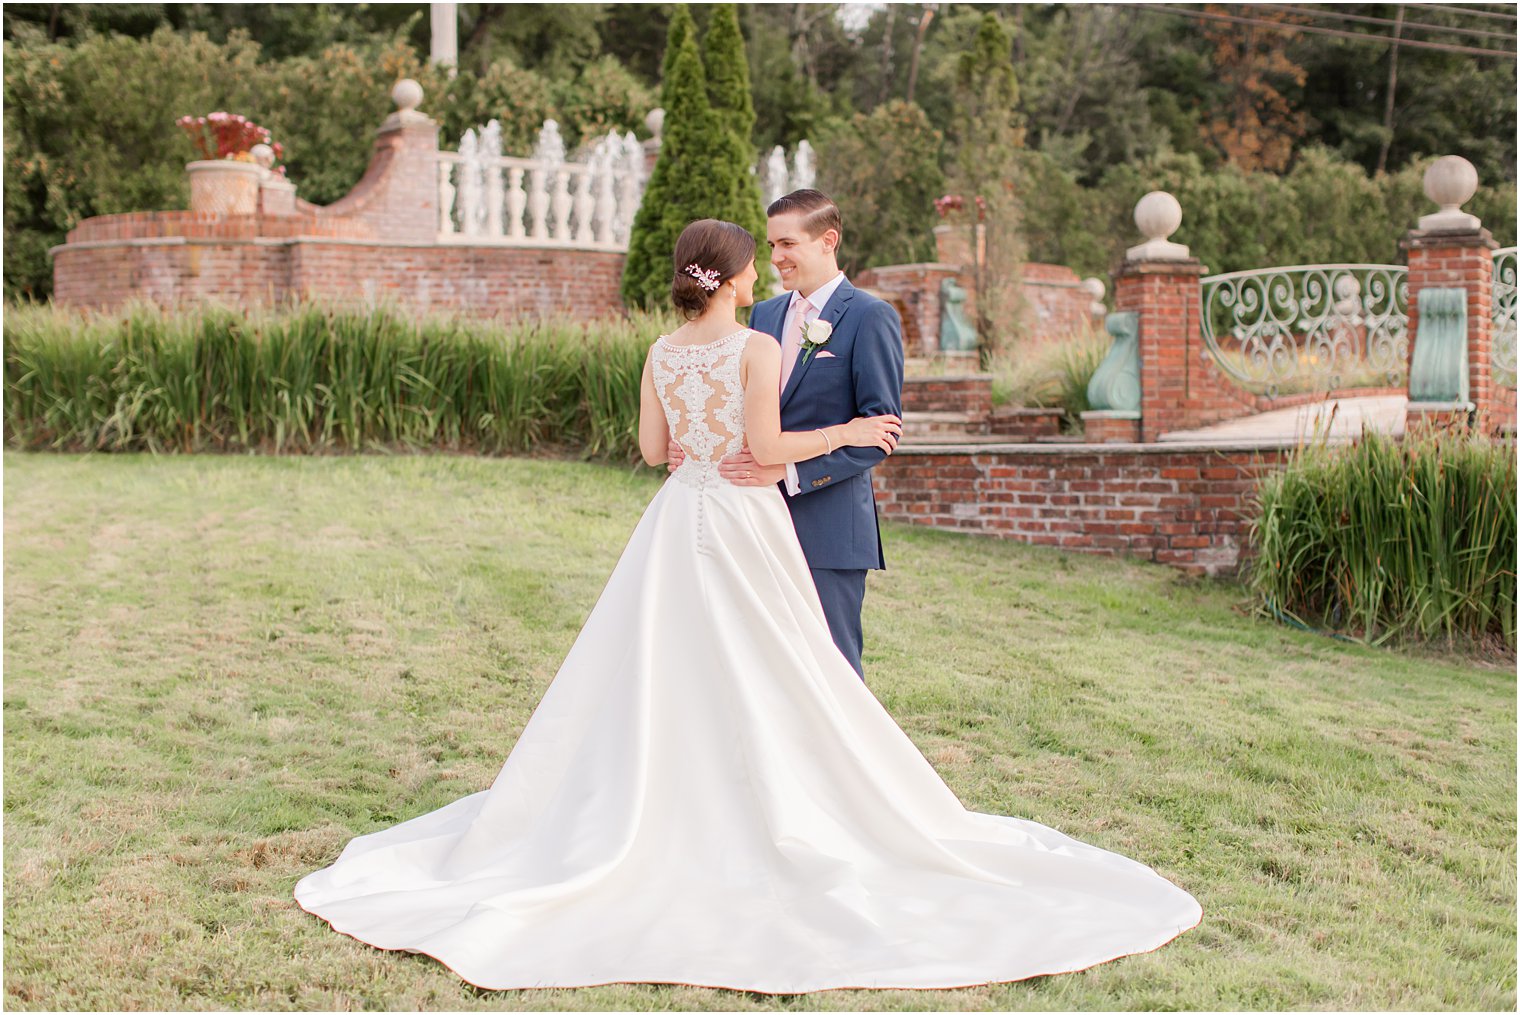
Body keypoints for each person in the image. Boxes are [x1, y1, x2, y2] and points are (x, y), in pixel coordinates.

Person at [293, 219, 1202, 993]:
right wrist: (846, 427)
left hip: (677, 512)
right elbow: (765, 444)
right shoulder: (757, 345)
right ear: (732, 279)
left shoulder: (658, 350)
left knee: (664, 659)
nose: (764, 272)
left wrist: (704, 441)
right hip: (742, 517)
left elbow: (652, 449)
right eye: (752, 263)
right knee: (779, 661)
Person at [669, 190, 902, 678]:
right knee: (764, 665)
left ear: (828, 241)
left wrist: (789, 469)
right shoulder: (764, 314)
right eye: (771, 245)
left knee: (832, 666)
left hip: (828, 523)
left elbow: (878, 434)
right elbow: (739, 405)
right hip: (749, 517)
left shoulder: (869, 317)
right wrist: (696, 445)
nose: (775, 258)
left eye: (787, 244)